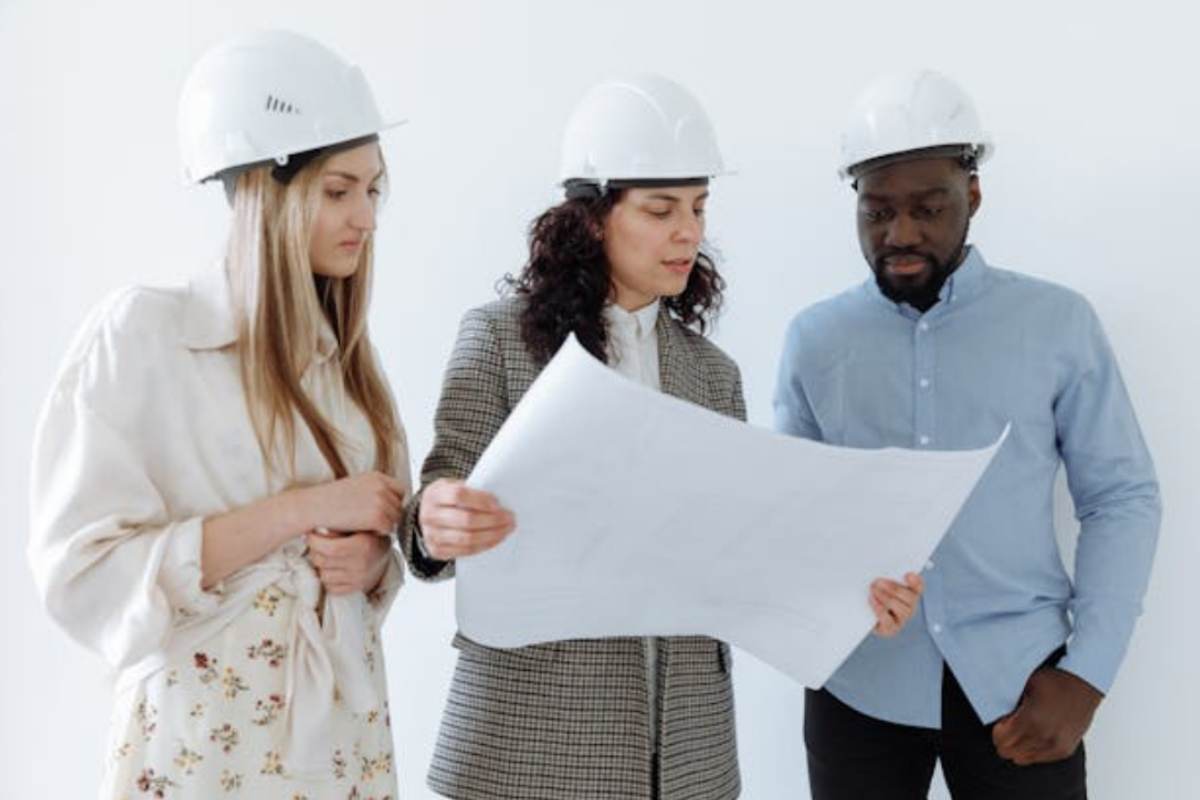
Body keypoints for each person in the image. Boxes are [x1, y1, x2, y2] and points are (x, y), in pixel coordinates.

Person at [399, 74, 924, 800]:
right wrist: (434, 522)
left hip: (684, 754)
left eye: (700, 207)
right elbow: (434, 501)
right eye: (661, 209)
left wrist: (856, 597)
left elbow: (743, 555)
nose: (690, 231)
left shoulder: (713, 375)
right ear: (590, 218)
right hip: (527, 742)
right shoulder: (496, 339)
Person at [28, 30, 410, 797]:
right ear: (267, 191)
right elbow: (81, 573)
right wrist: (303, 511)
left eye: (374, 190)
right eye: (339, 191)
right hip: (202, 744)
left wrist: (372, 562)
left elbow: (377, 547)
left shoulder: (351, 365)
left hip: (343, 736)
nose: (365, 217)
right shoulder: (145, 335)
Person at [774, 69, 1162, 799]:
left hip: (1024, 688)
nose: (901, 234)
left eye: (928, 207)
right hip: (857, 687)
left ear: (972, 197)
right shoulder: (816, 341)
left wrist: (1086, 675)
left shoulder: (1058, 324)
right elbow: (795, 517)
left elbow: (1122, 497)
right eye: (878, 211)